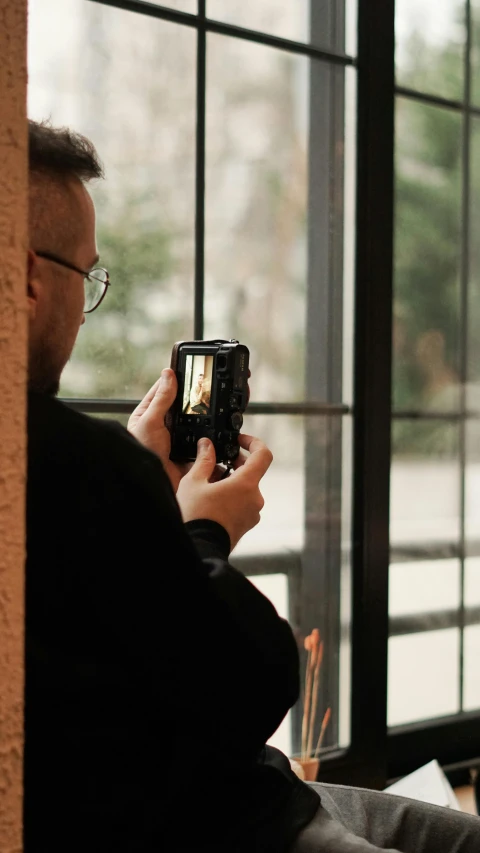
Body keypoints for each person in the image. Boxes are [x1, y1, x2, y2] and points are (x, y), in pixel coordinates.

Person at [24, 118, 480, 853]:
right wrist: (203, 531)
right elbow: (252, 681)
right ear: (29, 278)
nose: (88, 304)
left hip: (258, 788)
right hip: (233, 820)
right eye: (88, 276)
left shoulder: (86, 473)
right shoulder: (73, 463)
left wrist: (142, 485)